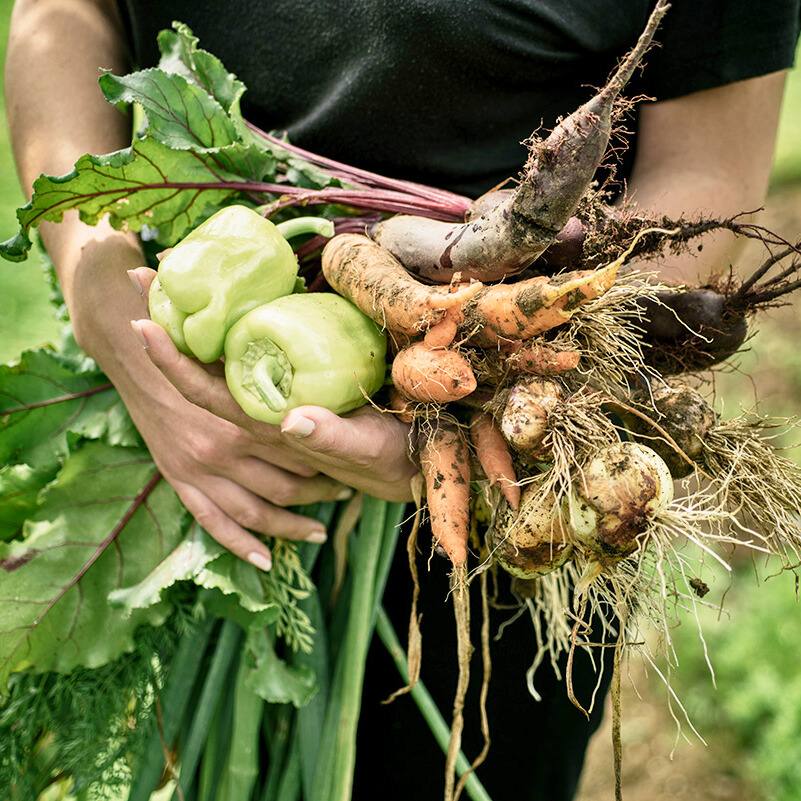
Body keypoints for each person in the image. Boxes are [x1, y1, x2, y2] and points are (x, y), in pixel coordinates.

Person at [6, 1, 800, 798]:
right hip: (182, 419)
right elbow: (63, 13)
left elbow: (706, 170)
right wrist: (95, 275)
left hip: (520, 488)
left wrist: (491, 389)